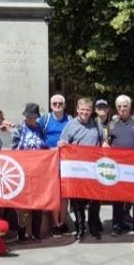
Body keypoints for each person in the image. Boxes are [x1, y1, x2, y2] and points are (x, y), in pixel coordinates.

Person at [58, 98, 104, 241]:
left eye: (88, 110)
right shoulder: (70, 125)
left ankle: (94, 226)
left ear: (92, 111)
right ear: (77, 110)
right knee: (77, 201)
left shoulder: (97, 125)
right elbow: (62, 142)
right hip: (77, 168)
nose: (85, 112)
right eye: (82, 109)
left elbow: (103, 142)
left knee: (95, 200)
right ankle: (80, 228)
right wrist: (61, 145)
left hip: (94, 168)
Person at [109, 95, 134, 236]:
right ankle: (117, 226)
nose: (122, 109)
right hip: (118, 167)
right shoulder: (112, 123)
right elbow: (107, 142)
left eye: (125, 106)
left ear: (129, 107)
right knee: (118, 198)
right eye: (119, 106)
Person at [11, 103, 48, 241]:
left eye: (33, 117)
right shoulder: (19, 129)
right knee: (23, 204)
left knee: (38, 202)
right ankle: (21, 234)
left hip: (37, 170)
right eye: (29, 117)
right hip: (23, 170)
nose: (31, 119)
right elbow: (14, 149)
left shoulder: (41, 129)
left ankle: (36, 233)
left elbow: (45, 146)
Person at [39, 95, 70, 235]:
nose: (57, 105)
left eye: (60, 103)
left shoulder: (70, 120)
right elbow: (31, 126)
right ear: (50, 105)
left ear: (64, 105)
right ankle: (55, 222)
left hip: (66, 160)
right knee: (53, 191)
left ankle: (62, 222)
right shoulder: (44, 120)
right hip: (49, 161)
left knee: (64, 193)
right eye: (54, 103)